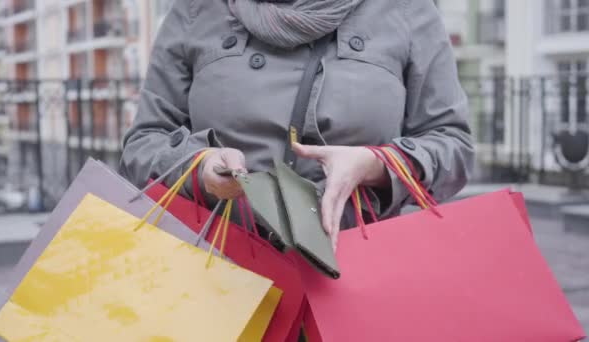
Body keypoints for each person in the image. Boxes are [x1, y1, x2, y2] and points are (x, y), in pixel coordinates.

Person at [120, 0, 475, 249]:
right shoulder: (196, 9)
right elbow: (144, 143)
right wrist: (201, 169)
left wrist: (375, 165)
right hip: (219, 274)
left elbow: (453, 145)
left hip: (360, 276)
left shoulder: (407, 9)